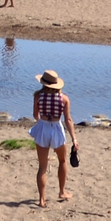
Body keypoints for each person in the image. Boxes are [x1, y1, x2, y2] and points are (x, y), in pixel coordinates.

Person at [29, 70, 78, 208]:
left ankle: (41, 199)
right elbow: (68, 119)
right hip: (56, 127)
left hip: (43, 127)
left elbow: (35, 114)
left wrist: (41, 122)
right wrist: (74, 138)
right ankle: (62, 191)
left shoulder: (38, 96)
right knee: (62, 160)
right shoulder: (64, 98)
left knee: (42, 166)